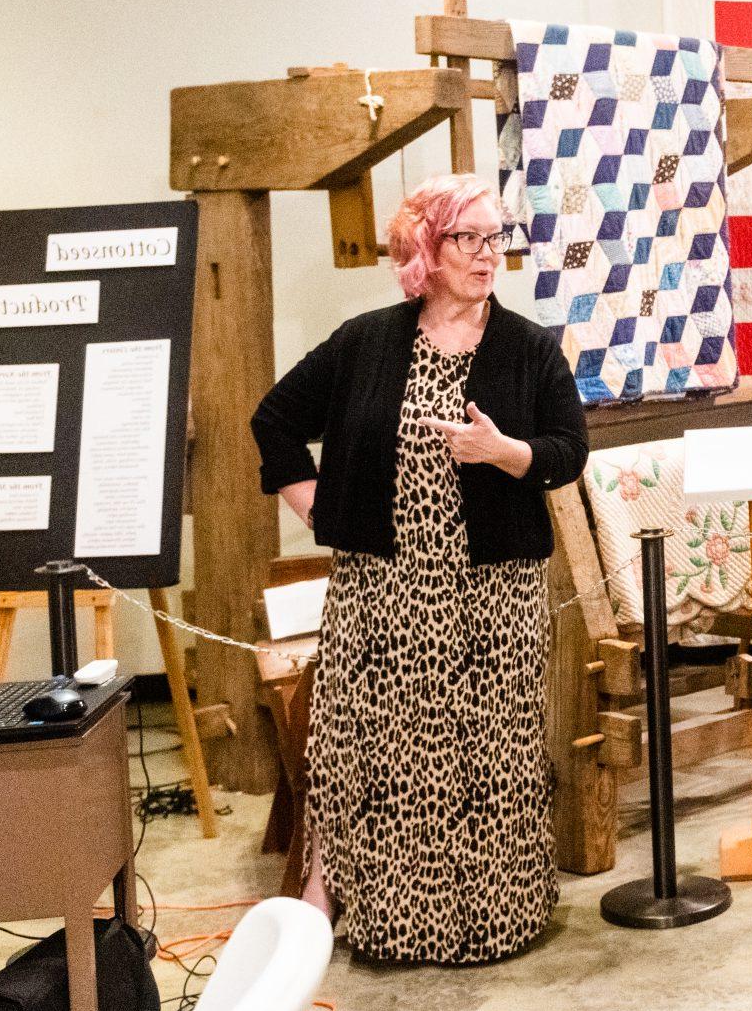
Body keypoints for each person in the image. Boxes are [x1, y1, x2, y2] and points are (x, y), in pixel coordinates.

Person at [251, 173, 589, 964]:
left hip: (493, 596)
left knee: (488, 755)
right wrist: (316, 509)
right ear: (425, 251)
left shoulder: (529, 347)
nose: (486, 254)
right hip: (385, 591)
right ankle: (380, 916)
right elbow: (275, 420)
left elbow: (570, 450)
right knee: (381, 751)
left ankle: (497, 918)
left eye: (494, 236)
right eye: (467, 238)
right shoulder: (367, 341)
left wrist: (504, 453)